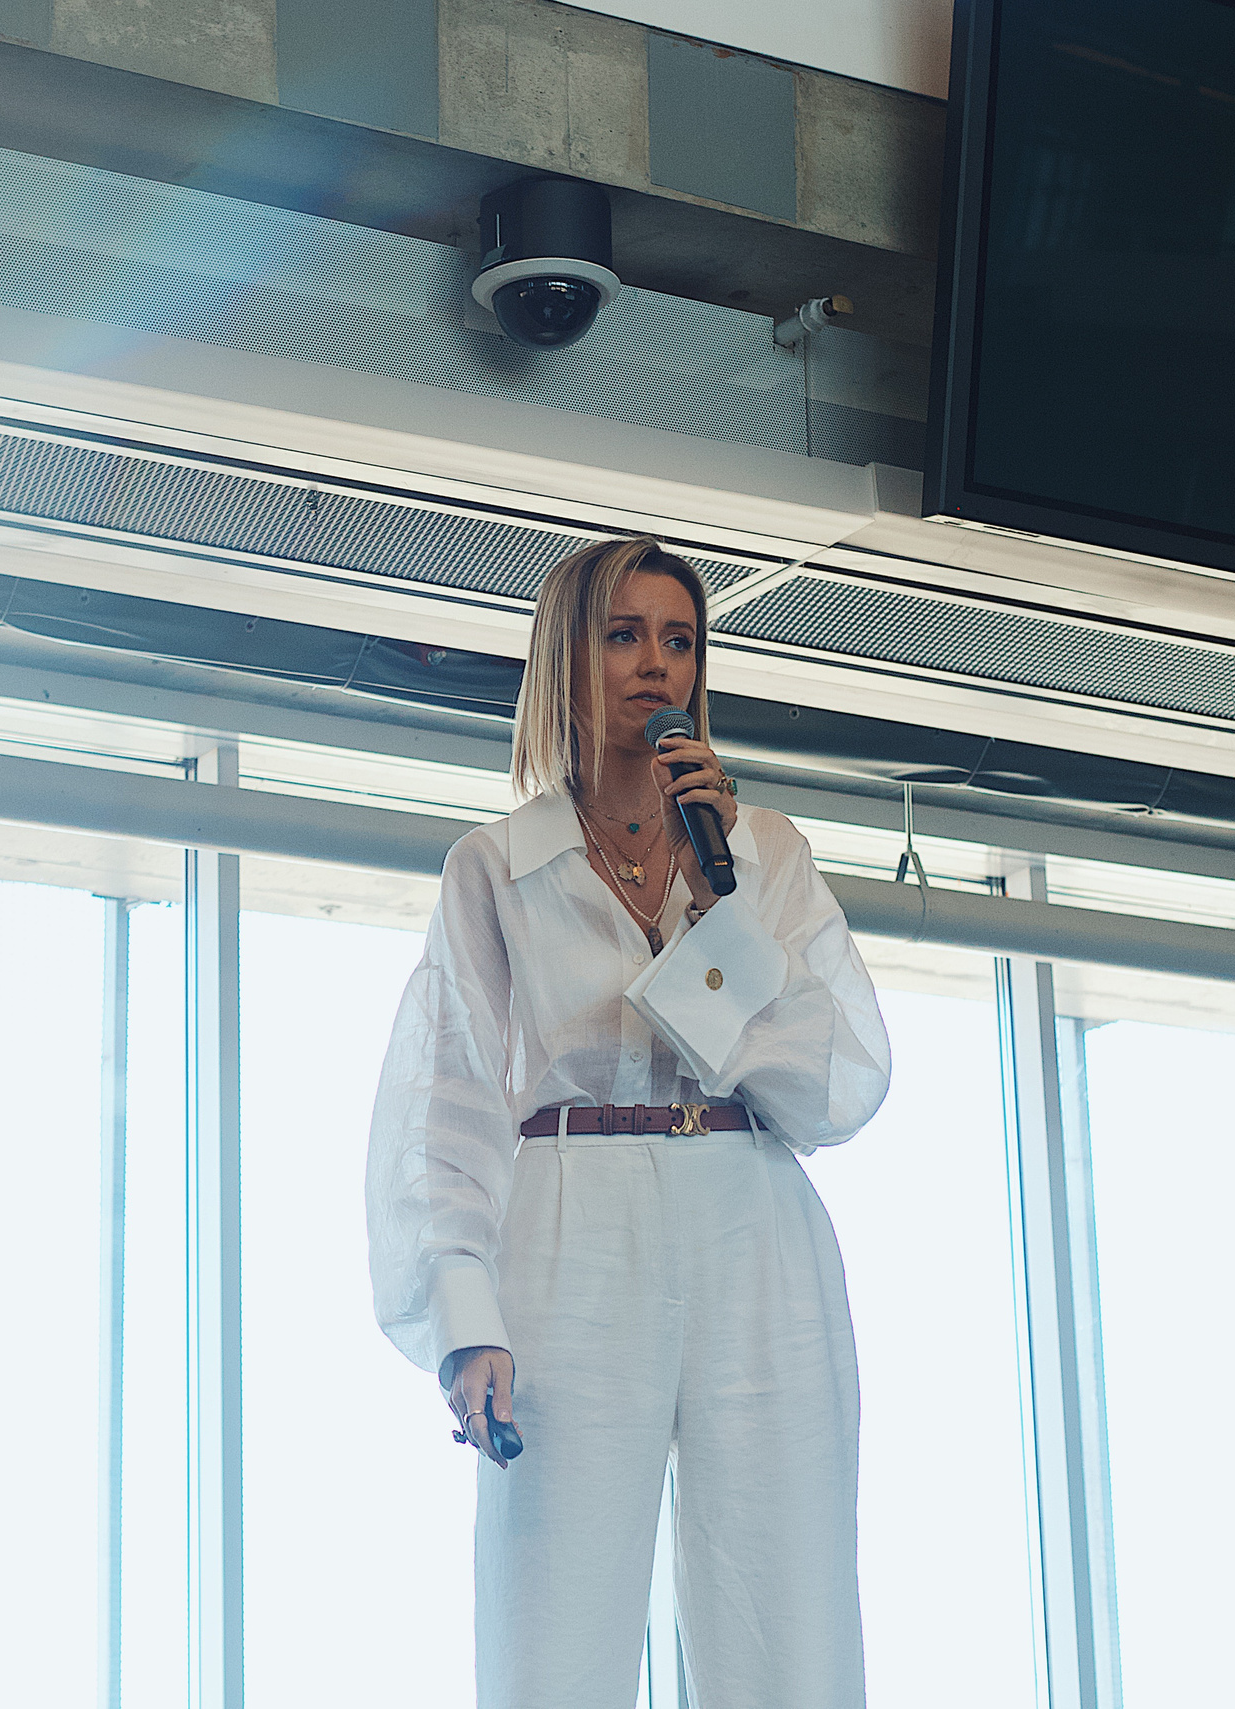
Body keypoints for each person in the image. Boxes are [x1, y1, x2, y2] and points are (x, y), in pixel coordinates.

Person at [364, 535, 894, 1709]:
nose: (654, 665)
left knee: (786, 1606)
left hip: (753, 1220)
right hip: (569, 1225)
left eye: (678, 638)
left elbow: (837, 1085)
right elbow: (444, 1106)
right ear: (568, 657)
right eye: (622, 635)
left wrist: (724, 911)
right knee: (553, 1617)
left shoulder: (763, 857)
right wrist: (464, 1319)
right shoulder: (494, 867)